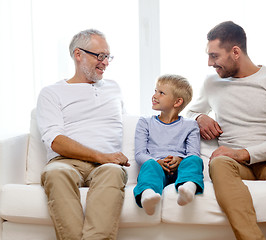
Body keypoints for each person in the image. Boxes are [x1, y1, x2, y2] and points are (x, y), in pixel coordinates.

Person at [187, 21, 266, 240]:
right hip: (235, 165)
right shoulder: (212, 84)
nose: (209, 63)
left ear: (235, 52)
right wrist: (199, 117)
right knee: (218, 163)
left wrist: (241, 153)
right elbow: (187, 113)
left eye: (214, 56)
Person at [36, 29, 130, 240]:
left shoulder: (114, 88)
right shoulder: (52, 92)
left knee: (114, 172)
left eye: (108, 57)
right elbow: (56, 141)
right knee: (55, 173)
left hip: (107, 166)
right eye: (100, 56)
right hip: (67, 162)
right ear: (78, 54)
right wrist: (101, 156)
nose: (105, 62)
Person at [133, 74, 204, 215]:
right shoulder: (145, 122)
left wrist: (181, 160)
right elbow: (140, 154)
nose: (155, 96)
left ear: (177, 102)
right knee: (149, 165)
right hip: (157, 167)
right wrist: (157, 161)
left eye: (161, 93)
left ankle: (188, 188)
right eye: (155, 91)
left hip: (180, 169)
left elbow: (193, 153)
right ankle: (148, 195)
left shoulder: (190, 125)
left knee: (194, 160)